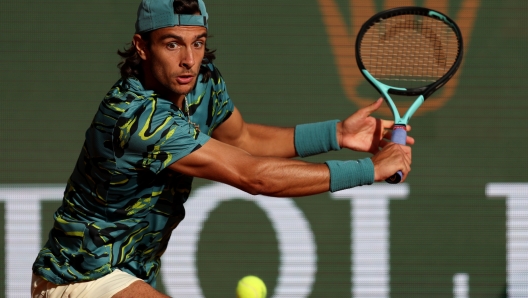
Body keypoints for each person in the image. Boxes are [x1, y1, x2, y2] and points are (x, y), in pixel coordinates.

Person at [31, 0, 413, 297]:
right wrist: (369, 170)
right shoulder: (137, 118)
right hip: (78, 278)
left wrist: (337, 134)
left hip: (128, 274)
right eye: (172, 44)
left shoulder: (200, 82)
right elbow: (255, 177)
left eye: (198, 43)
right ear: (142, 47)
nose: (189, 61)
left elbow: (243, 140)